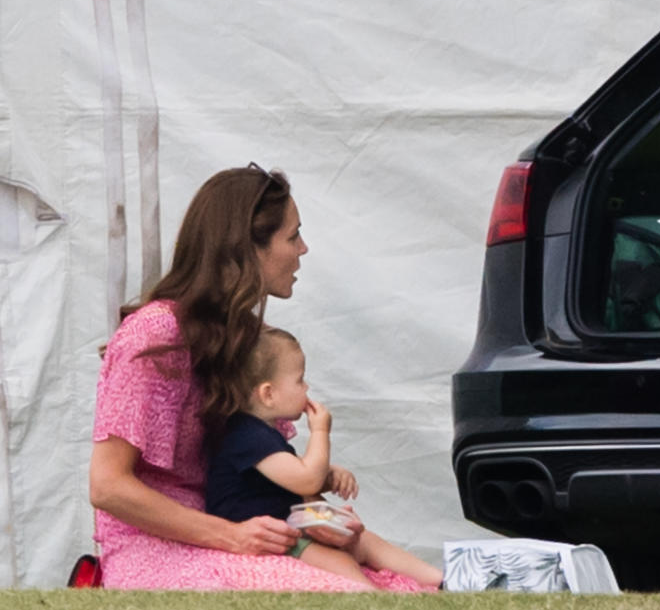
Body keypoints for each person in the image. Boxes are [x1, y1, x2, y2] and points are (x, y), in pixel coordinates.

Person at [89, 163, 436, 591]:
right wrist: (230, 536)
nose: (303, 249)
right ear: (245, 248)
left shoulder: (246, 339)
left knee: (393, 582)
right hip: (158, 548)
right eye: (292, 236)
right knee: (343, 591)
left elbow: (267, 474)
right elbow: (108, 487)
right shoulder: (154, 334)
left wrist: (319, 516)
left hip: (242, 530)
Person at [206, 327, 443, 589]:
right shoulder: (246, 436)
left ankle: (440, 580)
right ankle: (375, 597)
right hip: (267, 538)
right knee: (340, 563)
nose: (307, 388)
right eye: (300, 380)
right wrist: (320, 430)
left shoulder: (261, 433)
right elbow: (305, 480)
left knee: (366, 541)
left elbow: (291, 479)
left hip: (288, 525)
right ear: (268, 394)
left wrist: (327, 479)